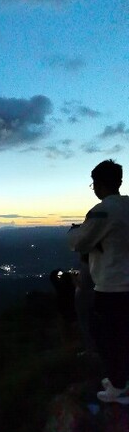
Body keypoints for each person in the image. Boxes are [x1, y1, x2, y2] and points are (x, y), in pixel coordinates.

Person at [69, 159, 129, 403]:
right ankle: (121, 379)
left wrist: (73, 231)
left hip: (112, 285)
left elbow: (79, 242)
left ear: (99, 185)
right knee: (124, 335)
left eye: (94, 184)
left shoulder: (102, 210)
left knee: (108, 337)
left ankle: (118, 387)